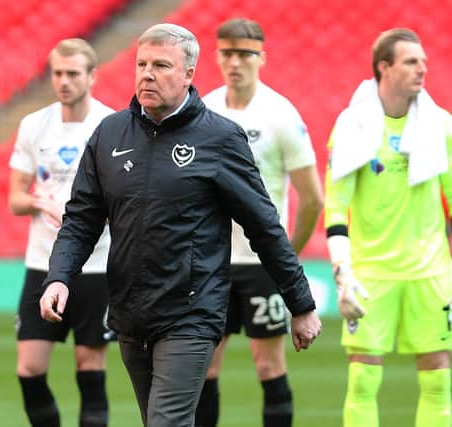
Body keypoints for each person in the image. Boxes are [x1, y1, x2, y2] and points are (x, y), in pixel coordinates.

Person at [39, 23, 322, 427]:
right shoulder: (109, 134)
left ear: (189, 74)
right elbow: (82, 218)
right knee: (158, 419)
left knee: (166, 421)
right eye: (141, 64)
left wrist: (301, 302)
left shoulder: (219, 139)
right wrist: (59, 277)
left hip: (192, 310)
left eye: (161, 65)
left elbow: (264, 226)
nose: (147, 74)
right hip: (131, 310)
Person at [196, 18, 324, 427]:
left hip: (259, 264)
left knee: (269, 367)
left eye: (245, 54)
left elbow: (312, 197)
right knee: (204, 370)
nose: (235, 62)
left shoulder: (280, 115)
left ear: (261, 58)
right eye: (227, 53)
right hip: (211, 263)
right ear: (216, 56)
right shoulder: (204, 110)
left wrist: (285, 255)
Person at [324, 28, 452, 427]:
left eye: (424, 62)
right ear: (384, 67)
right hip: (370, 274)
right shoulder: (351, 127)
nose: (422, 69)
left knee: (438, 382)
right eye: (412, 61)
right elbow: (336, 209)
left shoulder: (441, 126)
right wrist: (343, 275)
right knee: (363, 381)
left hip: (429, 272)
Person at [8, 38, 114, 427]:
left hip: (98, 265)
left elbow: (125, 201)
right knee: (29, 368)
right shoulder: (34, 125)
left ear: (92, 76)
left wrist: (87, 216)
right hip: (43, 262)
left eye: (73, 73)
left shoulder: (111, 126)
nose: (64, 81)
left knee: (90, 365)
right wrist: (40, 202)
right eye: (57, 73)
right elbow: (16, 198)